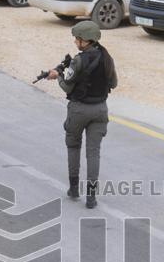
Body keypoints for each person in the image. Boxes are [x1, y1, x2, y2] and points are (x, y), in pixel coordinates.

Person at [46, 20, 117, 209]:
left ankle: (74, 188)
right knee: (94, 153)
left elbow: (66, 85)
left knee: (74, 147)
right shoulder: (107, 57)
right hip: (100, 109)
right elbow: (114, 83)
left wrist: (57, 75)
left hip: (79, 110)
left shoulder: (79, 60)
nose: (75, 42)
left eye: (77, 39)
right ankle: (92, 197)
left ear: (85, 41)